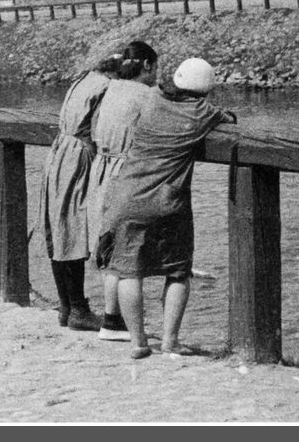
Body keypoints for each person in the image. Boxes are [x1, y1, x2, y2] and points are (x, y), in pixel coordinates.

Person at [100, 58, 236, 359]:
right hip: (166, 201)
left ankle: (138, 342)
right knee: (177, 271)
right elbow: (228, 118)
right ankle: (170, 341)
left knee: (127, 272)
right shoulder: (201, 112)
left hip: (125, 195)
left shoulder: (151, 98)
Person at [39, 54, 122, 332]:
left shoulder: (85, 79)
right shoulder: (106, 88)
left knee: (59, 225)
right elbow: (103, 130)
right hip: (78, 156)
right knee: (73, 228)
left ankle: (66, 305)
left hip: (60, 152)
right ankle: (78, 310)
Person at [86, 41, 159, 341]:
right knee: (130, 251)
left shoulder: (111, 88)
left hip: (101, 170)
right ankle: (124, 325)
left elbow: (93, 129)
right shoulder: (148, 95)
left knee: (109, 246)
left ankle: (111, 319)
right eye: (156, 67)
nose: (156, 74)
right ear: (146, 67)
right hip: (126, 172)